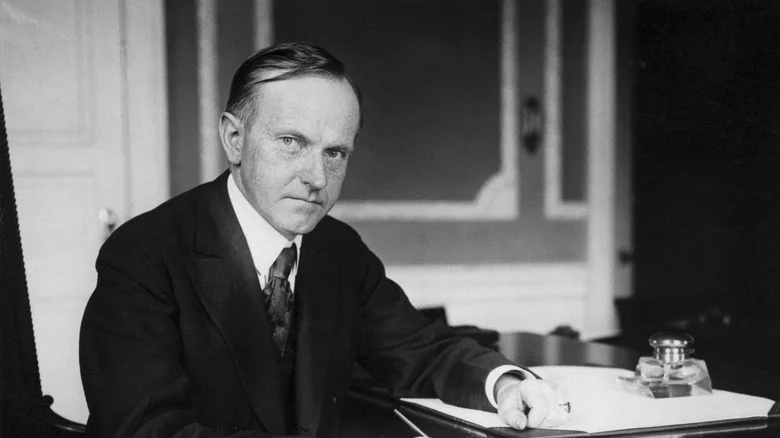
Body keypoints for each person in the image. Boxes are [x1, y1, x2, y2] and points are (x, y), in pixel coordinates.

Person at [79, 41, 570, 437]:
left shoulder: (338, 250)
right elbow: (146, 429)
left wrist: (505, 384)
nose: (316, 177)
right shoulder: (143, 254)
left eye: (335, 153)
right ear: (234, 139)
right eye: (291, 142)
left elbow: (418, 349)